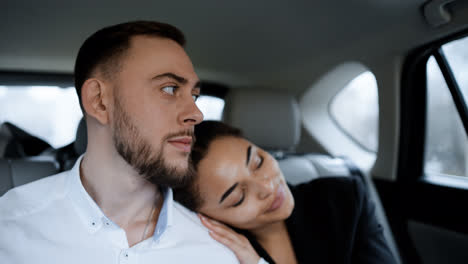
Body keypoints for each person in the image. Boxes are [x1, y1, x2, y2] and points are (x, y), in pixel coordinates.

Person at [0, 21, 238, 263]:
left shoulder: (217, 252)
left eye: (194, 96)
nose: (196, 114)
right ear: (99, 101)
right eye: (169, 88)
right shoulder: (9, 229)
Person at [174, 121, 398, 264]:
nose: (267, 187)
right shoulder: (213, 251)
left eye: (258, 162)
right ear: (207, 217)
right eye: (238, 198)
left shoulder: (344, 198)